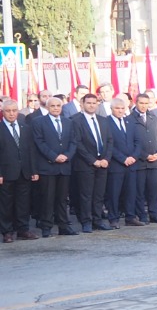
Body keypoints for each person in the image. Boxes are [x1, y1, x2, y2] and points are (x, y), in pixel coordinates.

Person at [29, 94, 76, 235]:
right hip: (48, 166)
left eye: (58, 106)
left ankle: (63, 226)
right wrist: (54, 156)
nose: (56, 108)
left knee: (62, 199)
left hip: (64, 166)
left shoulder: (68, 122)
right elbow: (39, 143)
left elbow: (73, 142)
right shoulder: (39, 122)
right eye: (53, 106)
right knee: (48, 199)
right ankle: (46, 227)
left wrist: (67, 156)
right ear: (47, 107)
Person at [69, 92, 112, 232]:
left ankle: (97, 220)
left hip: (103, 163)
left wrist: (106, 159)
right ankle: (86, 222)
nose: (92, 105)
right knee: (86, 195)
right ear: (82, 104)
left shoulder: (103, 120)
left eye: (94, 103)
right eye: (88, 103)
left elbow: (110, 141)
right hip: (85, 164)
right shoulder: (75, 120)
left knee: (99, 195)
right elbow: (78, 143)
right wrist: (93, 161)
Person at [0, 97, 40, 242]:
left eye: (14, 111)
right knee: (6, 203)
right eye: (8, 111)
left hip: (24, 172)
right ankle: (7, 231)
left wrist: (34, 171)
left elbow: (31, 151)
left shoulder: (25, 128)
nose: (11, 114)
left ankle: (23, 229)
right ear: (2, 112)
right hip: (6, 173)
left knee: (23, 202)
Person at [128, 92, 157, 224]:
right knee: (140, 190)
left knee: (153, 189)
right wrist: (145, 155)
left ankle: (154, 213)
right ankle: (142, 215)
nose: (144, 106)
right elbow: (131, 142)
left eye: (146, 103)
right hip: (140, 161)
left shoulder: (153, 117)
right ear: (136, 103)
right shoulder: (130, 118)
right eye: (141, 103)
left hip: (154, 161)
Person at [104, 95, 142, 226]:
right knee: (114, 193)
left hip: (131, 164)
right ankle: (113, 218)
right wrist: (123, 158)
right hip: (116, 165)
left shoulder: (129, 121)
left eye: (122, 108)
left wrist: (133, 157)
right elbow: (108, 145)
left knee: (131, 191)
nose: (120, 111)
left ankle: (130, 217)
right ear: (111, 109)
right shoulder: (105, 122)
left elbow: (138, 141)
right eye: (117, 108)